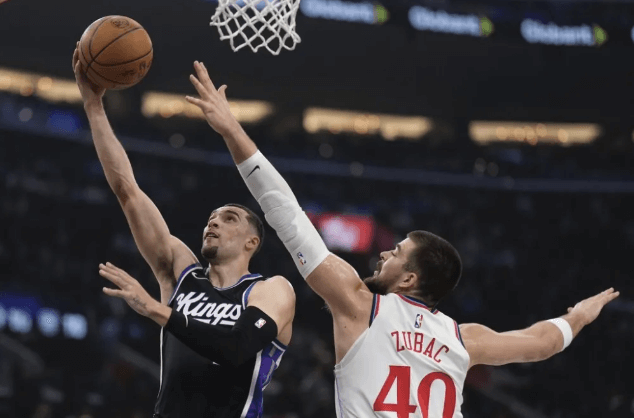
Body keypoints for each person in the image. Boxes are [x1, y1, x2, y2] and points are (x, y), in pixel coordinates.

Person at [184, 60, 620, 417]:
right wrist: (580, 315)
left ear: (410, 278)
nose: (382, 253)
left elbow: (287, 215)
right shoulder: (464, 338)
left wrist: (231, 131)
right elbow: (542, 343)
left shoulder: (359, 304)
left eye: (395, 252)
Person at [72, 46, 295, 418]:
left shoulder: (272, 290)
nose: (214, 222)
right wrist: (94, 105)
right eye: (212, 217)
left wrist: (157, 310)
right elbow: (128, 190)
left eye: (229, 218)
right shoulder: (181, 273)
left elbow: (235, 350)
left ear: (252, 242)